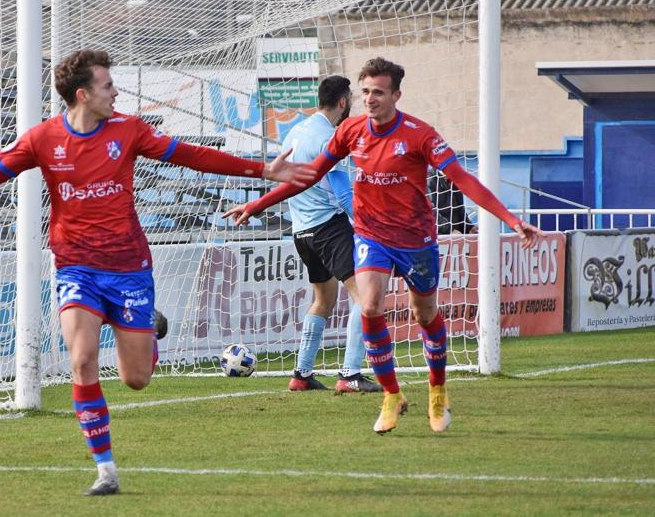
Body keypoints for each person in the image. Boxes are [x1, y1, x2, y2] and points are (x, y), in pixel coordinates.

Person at [0, 49, 315, 495]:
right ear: (83, 94)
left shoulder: (129, 130)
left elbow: (189, 156)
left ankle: (148, 331)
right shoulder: (43, 138)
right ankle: (105, 470)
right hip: (76, 265)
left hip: (128, 268)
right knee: (80, 360)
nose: (115, 92)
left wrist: (260, 169)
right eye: (107, 85)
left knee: (135, 380)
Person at [224, 56, 541, 435]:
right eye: (365, 92)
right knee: (370, 305)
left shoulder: (420, 134)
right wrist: (256, 204)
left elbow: (462, 180)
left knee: (425, 314)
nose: (370, 99)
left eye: (378, 92)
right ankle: (390, 395)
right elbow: (309, 177)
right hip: (371, 237)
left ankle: (437, 389)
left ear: (396, 95)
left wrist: (510, 219)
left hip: (415, 241)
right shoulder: (349, 132)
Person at [229, 76, 380, 394]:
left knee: (323, 300)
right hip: (329, 227)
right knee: (364, 297)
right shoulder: (330, 136)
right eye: (352, 98)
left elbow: (289, 182)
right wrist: (368, 226)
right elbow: (341, 194)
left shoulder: (295, 132)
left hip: (301, 231)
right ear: (342, 102)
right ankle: (351, 374)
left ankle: (301, 374)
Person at [429, 167, 477, 235]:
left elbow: (460, 208)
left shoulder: (455, 180)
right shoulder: (429, 180)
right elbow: (430, 211)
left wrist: (469, 227)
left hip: (456, 233)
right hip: (439, 236)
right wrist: (450, 230)